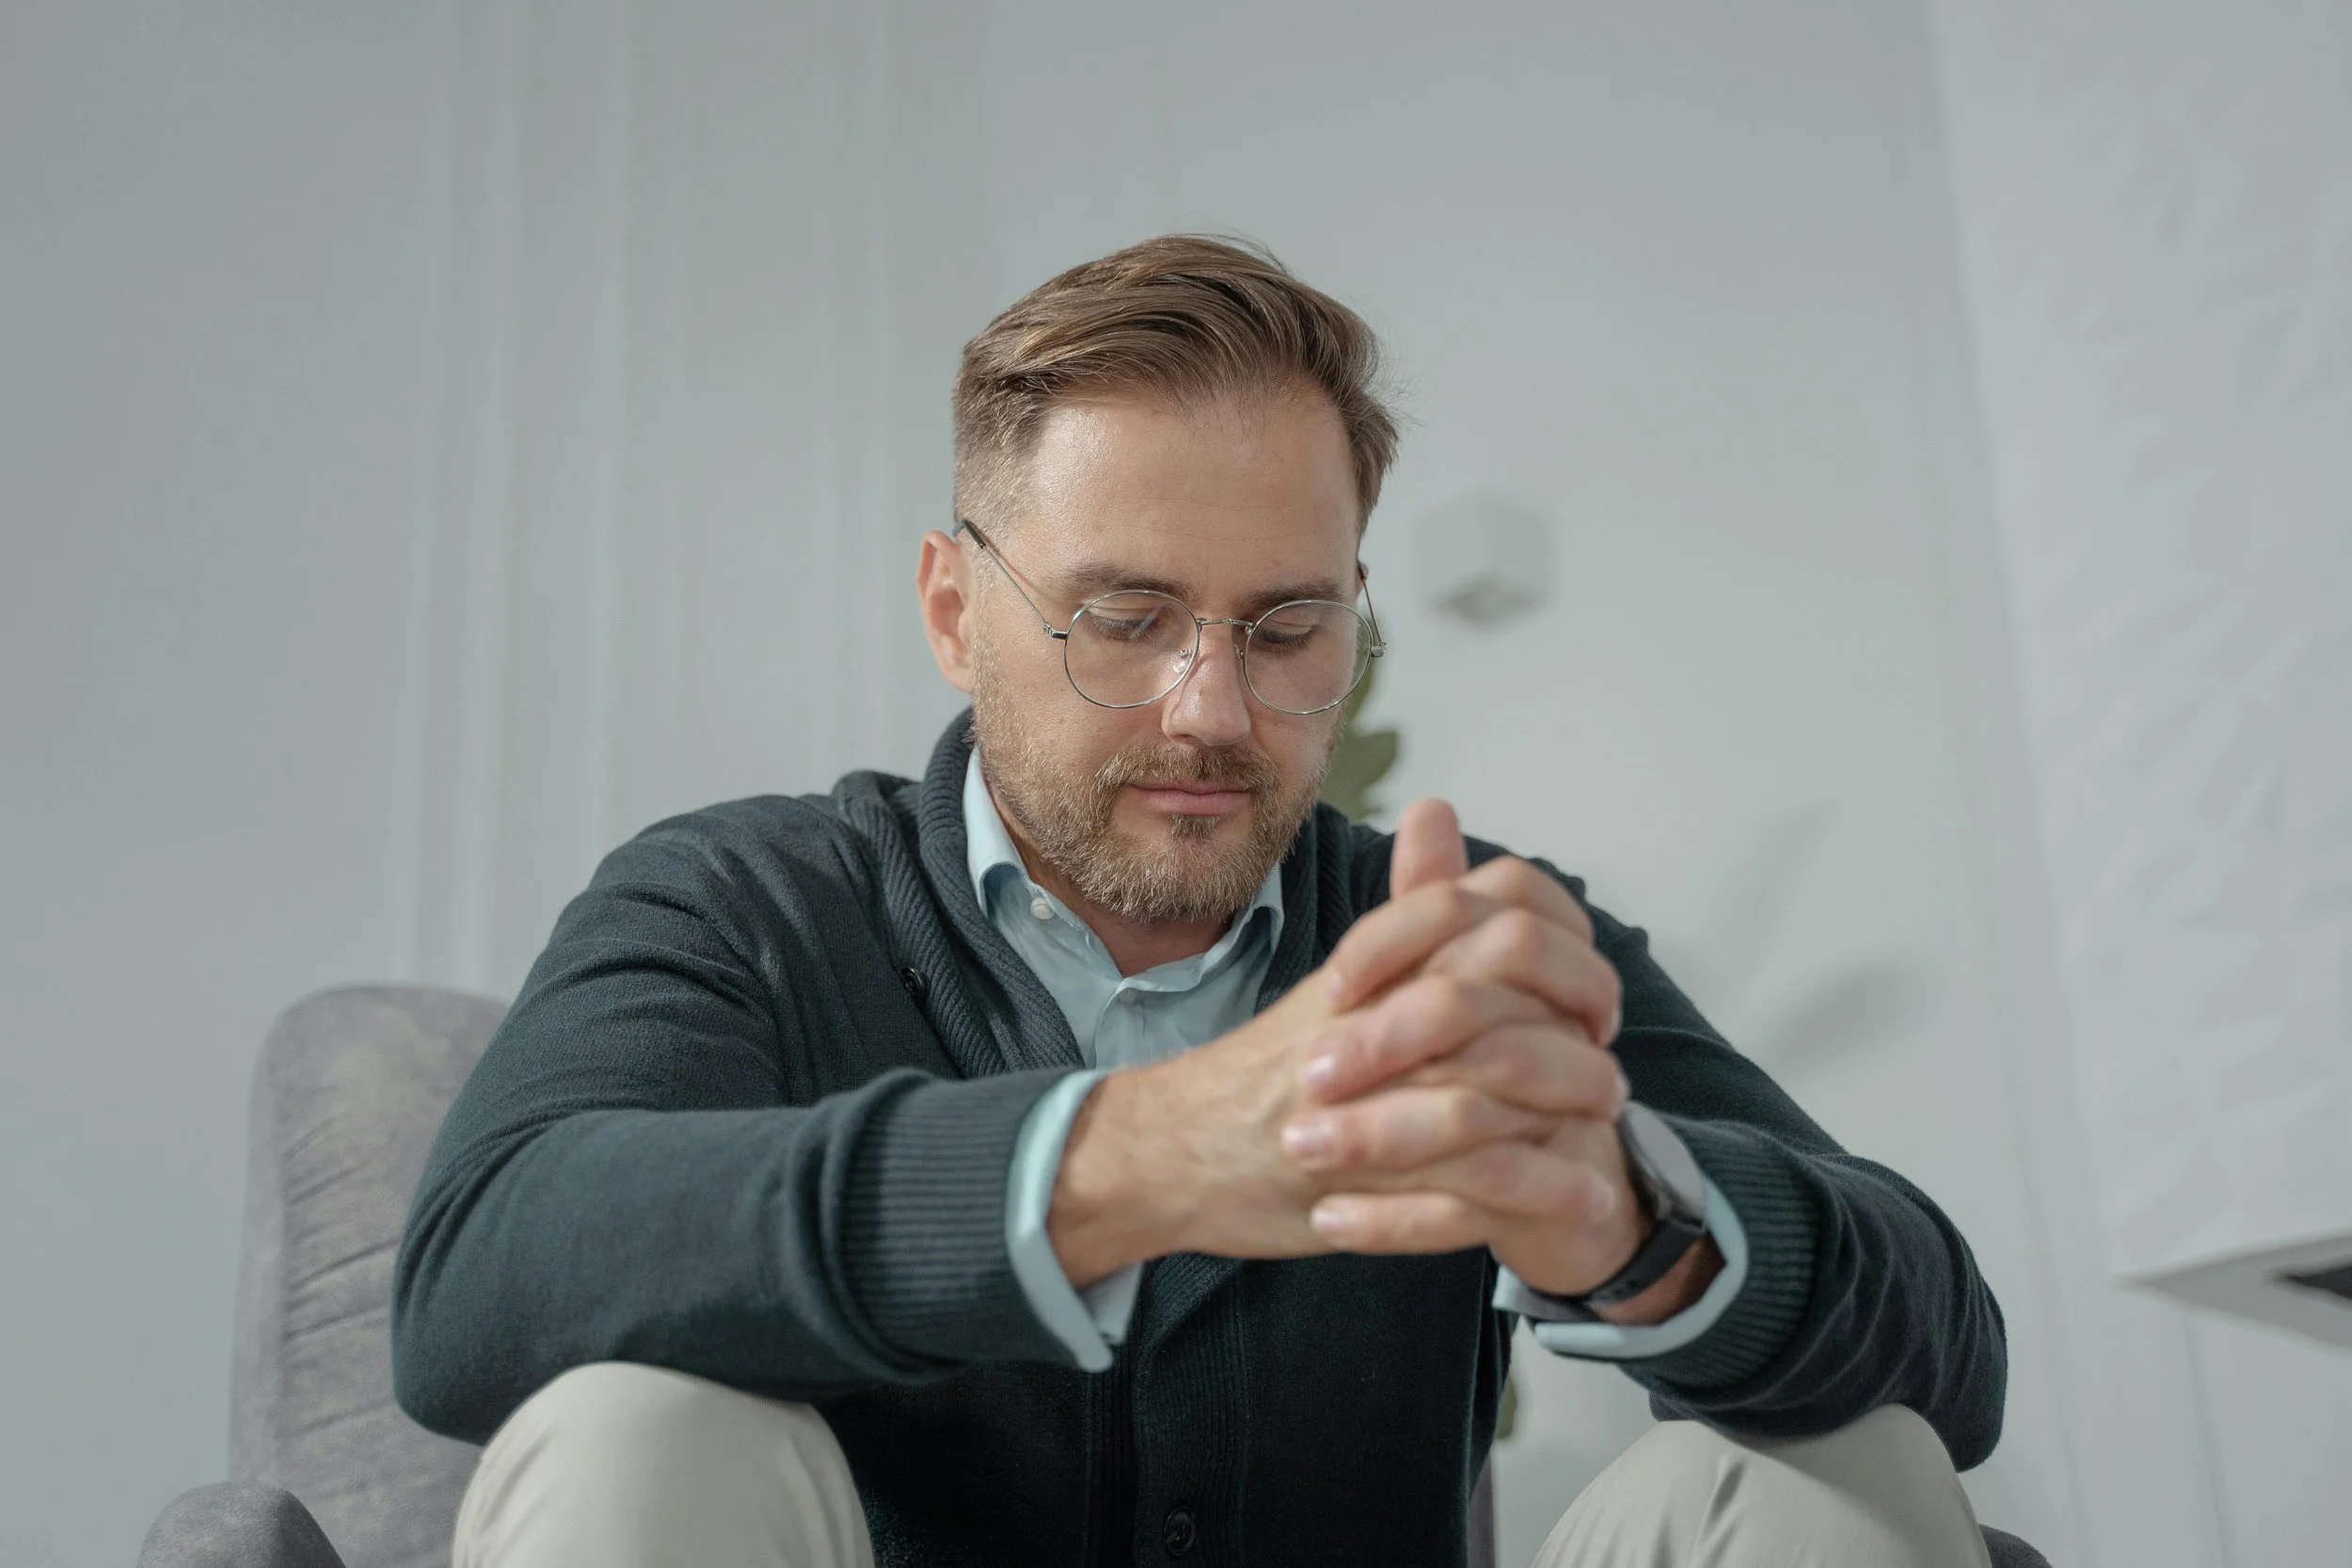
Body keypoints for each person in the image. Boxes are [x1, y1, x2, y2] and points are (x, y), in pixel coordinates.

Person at [393, 235, 2006, 1568]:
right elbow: (481, 1278)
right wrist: (1132, 1157)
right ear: (956, 612)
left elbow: (1955, 1349)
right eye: (1127, 616)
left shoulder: (1468, 939)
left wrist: (1635, 1224)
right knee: (638, 1435)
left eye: (1287, 628)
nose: (1213, 711)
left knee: (1830, 1468)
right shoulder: (741, 901)